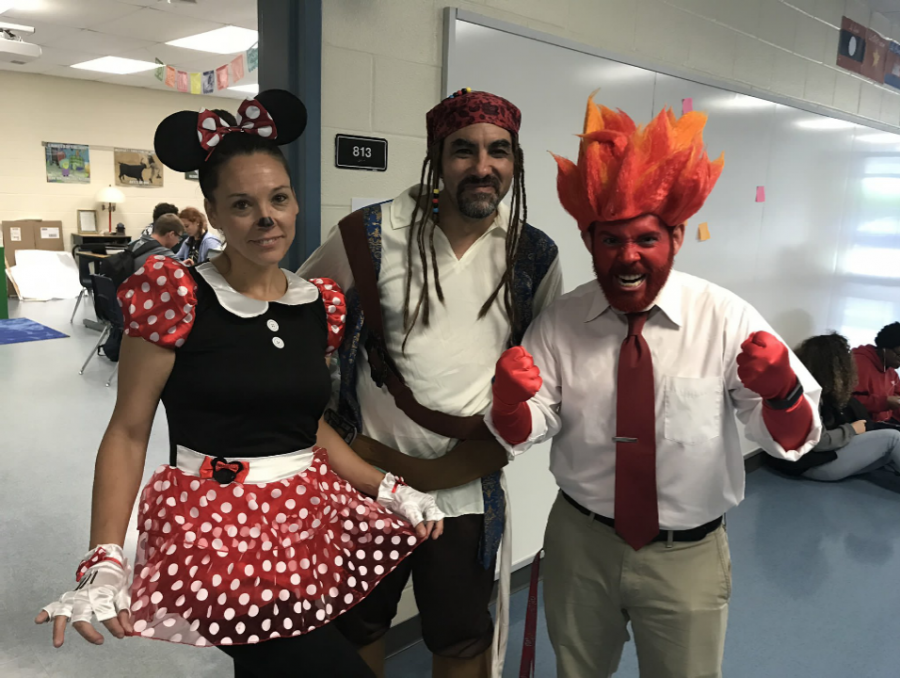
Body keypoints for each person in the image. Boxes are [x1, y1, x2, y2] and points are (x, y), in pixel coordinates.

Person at [35, 90, 445, 678]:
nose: (266, 218)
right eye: (242, 204)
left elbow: (306, 430)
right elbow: (128, 431)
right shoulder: (176, 296)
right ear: (215, 213)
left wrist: (387, 488)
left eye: (278, 198)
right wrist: (104, 555)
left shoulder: (316, 304)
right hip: (215, 532)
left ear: (296, 202)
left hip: (302, 521)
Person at [486, 94, 822, 678]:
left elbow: (792, 440)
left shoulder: (725, 318)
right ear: (589, 243)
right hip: (581, 543)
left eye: (645, 239)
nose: (627, 257)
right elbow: (531, 425)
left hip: (687, 555)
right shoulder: (561, 321)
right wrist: (509, 403)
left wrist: (782, 393)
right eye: (610, 240)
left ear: (677, 237)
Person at [299, 88, 562, 678]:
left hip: (464, 490)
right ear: (437, 158)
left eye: (499, 151)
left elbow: (549, 377)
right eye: (463, 150)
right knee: (358, 623)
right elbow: (297, 314)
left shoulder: (532, 255)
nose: (482, 165)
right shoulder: (369, 234)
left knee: (461, 634)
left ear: (514, 162)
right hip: (368, 483)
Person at [767, 333, 900, 480]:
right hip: (809, 465)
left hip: (816, 458)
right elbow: (818, 442)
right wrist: (852, 429)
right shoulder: (805, 395)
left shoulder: (811, 388)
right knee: (893, 438)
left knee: (890, 448)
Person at [852, 322, 900, 423]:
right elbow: (848, 401)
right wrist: (884, 402)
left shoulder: (892, 373)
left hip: (883, 423)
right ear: (884, 349)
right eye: (899, 355)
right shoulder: (858, 363)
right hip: (859, 424)